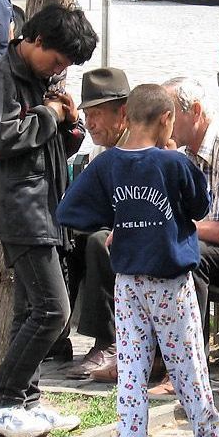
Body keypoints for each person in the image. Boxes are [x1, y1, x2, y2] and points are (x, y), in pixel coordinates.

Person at [56, 84, 219, 437]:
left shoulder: (107, 164)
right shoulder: (174, 164)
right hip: (170, 282)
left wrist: (117, 221)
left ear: (126, 117)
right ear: (166, 119)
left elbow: (69, 210)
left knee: (131, 369)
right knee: (189, 365)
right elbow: (200, 206)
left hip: (127, 282)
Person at [0, 4, 98, 437]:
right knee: (55, 310)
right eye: (58, 60)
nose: (61, 70)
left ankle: (26, 401)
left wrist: (70, 123)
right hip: (20, 209)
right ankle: (1, 400)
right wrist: (49, 116)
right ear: (35, 41)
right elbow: (1, 139)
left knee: (29, 312)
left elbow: (55, 149)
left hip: (45, 206)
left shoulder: (39, 79)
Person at [162, 76, 219, 399]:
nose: (164, 121)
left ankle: (186, 371)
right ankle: (156, 359)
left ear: (194, 111)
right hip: (215, 247)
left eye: (170, 113)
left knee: (187, 254)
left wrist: (169, 230)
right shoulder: (187, 154)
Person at [60, 67, 132, 381]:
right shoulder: (102, 152)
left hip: (143, 234)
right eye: (87, 114)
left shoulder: (143, 145)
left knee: (98, 241)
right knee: (64, 236)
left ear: (124, 113)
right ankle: (54, 332)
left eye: (97, 114)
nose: (90, 123)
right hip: (115, 227)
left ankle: (108, 341)